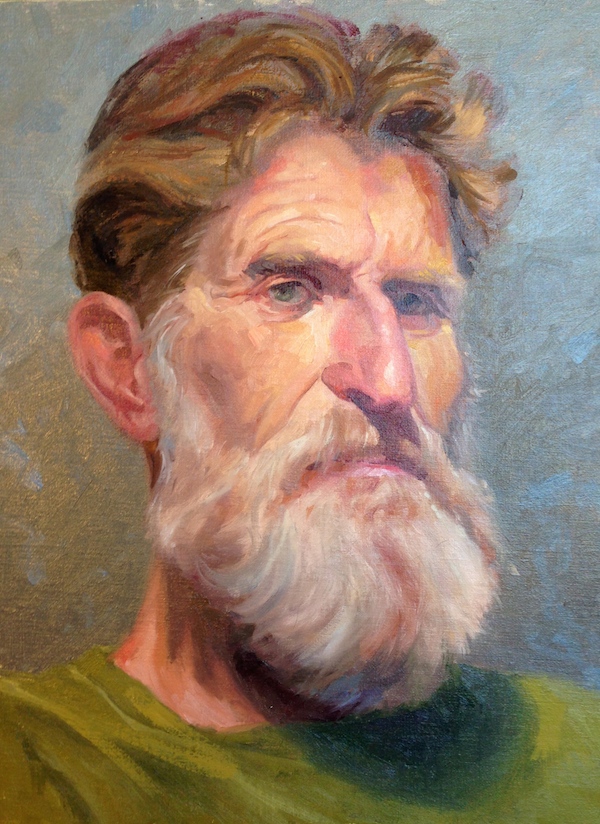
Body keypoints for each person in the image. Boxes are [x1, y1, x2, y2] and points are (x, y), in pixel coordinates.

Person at [0, 9, 597, 823]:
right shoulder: (27, 767)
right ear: (127, 370)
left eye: (416, 302)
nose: (387, 381)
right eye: (290, 291)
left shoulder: (583, 756)